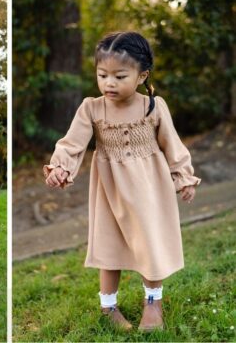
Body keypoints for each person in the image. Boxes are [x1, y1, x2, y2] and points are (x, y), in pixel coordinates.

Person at [44, 31, 199, 332]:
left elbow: (172, 145)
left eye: (119, 76)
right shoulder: (92, 108)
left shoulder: (153, 106)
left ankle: (153, 303)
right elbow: (72, 143)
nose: (109, 83)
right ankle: (108, 307)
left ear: (142, 76)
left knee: (150, 243)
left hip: (150, 188)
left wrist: (183, 177)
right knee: (108, 245)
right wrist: (60, 167)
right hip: (110, 190)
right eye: (102, 75)